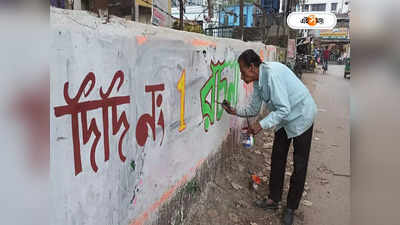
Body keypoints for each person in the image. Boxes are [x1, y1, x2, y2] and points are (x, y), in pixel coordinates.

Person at [222, 49, 317, 225]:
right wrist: (234, 110)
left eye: (243, 72)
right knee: (277, 158)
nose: (242, 77)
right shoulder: (258, 80)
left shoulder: (271, 75)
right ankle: (274, 199)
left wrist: (260, 125)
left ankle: (291, 208)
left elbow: (284, 108)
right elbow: (253, 109)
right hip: (284, 118)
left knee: (299, 165)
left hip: (302, 115)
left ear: (252, 67)